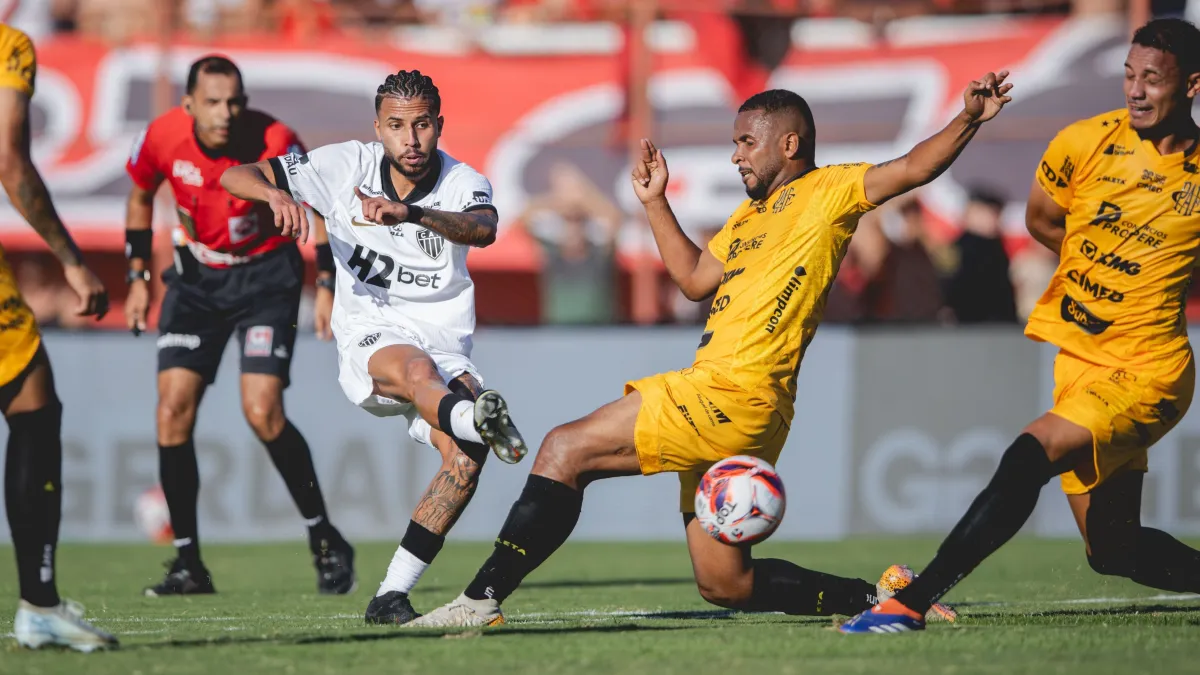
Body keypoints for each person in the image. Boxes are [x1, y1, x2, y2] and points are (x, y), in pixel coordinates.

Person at [407, 71, 1014, 627]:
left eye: (747, 141)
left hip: (735, 390)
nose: (736, 153)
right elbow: (695, 278)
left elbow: (910, 168)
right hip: (731, 396)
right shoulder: (746, 219)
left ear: (789, 144)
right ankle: (887, 599)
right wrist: (655, 203)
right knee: (725, 584)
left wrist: (967, 118)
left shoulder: (829, 193)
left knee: (566, 448)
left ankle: (479, 601)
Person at [842, 18, 1200, 635]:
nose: (1136, 90)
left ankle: (910, 602)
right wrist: (1100, 266)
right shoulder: (1082, 143)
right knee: (1113, 551)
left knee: (1028, 454)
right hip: (1078, 364)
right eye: (1129, 75)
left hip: (1148, 372)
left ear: (1191, 85)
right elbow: (1042, 220)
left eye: (1153, 79)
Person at [221, 69, 528, 625]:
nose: (410, 140)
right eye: (396, 126)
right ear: (377, 129)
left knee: (464, 463)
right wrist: (272, 193)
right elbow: (234, 175)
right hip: (372, 332)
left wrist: (409, 213)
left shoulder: (463, 181)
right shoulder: (345, 166)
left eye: (422, 125)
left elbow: (483, 230)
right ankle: (473, 418)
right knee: (416, 372)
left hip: (445, 343)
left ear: (440, 125)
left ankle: (389, 595)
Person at [123, 55, 353, 597]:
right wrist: (136, 276)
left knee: (263, 410)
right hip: (197, 280)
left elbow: (316, 206)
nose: (226, 113)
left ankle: (324, 536)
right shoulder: (161, 136)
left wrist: (325, 286)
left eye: (235, 101)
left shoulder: (276, 137)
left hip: (266, 280)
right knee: (171, 409)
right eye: (213, 102)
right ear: (189, 104)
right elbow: (139, 194)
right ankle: (187, 564)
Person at [0, 24, 117, 651]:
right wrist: (71, 260)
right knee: (34, 410)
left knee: (33, 399)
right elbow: (11, 163)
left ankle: (41, 605)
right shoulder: (8, 47)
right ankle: (39, 604)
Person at [941, 187, 1018, 324]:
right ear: (971, 212)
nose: (994, 220)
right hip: (970, 327)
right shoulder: (959, 250)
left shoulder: (996, 249)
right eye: (989, 213)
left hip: (998, 326)